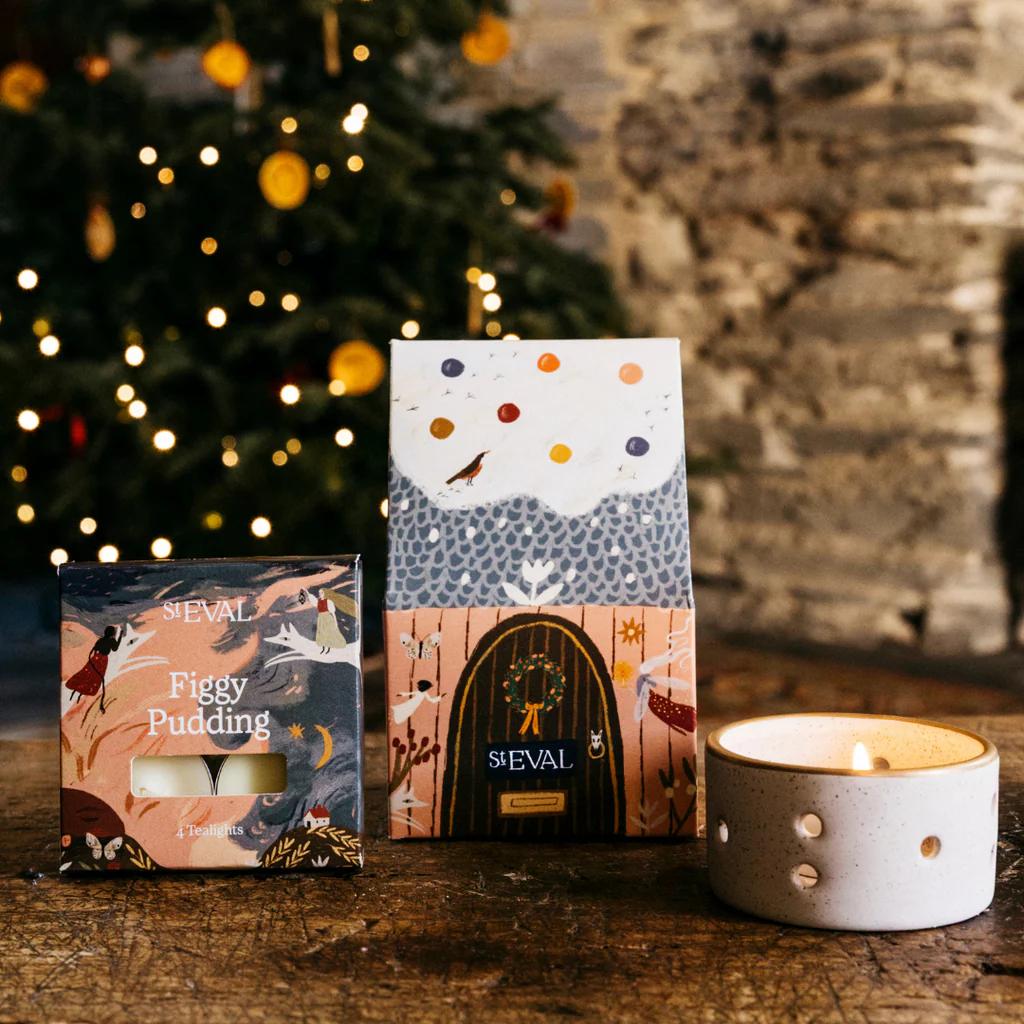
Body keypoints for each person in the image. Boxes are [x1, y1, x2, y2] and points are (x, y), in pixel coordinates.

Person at [64, 625, 121, 713]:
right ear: (112, 633)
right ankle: (87, 689)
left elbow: (96, 647)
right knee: (96, 676)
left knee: (88, 672)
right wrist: (119, 637)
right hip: (102, 660)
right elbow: (115, 649)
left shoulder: (101, 639)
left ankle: (77, 686)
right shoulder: (111, 640)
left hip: (96, 657)